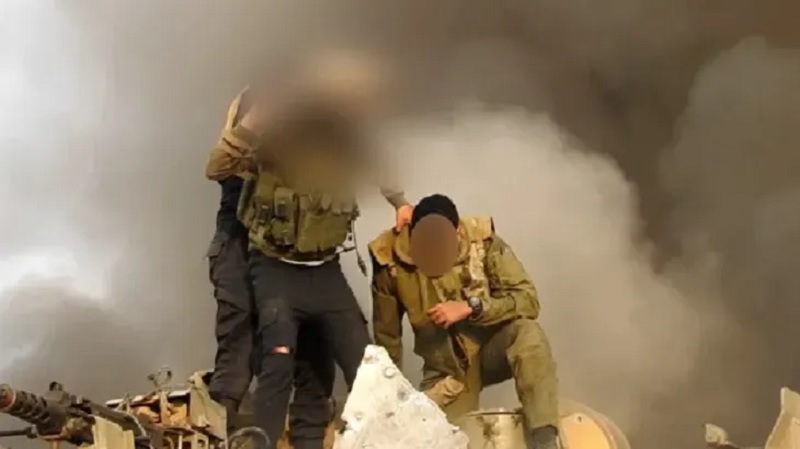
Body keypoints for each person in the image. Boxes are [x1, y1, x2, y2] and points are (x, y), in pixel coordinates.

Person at [204, 49, 413, 449]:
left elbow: (375, 162)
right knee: (276, 367)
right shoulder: (272, 134)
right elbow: (216, 167)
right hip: (276, 270)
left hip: (325, 271)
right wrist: (255, 122)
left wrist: (400, 202)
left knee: (364, 367)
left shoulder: (341, 133)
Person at [368, 194, 560, 449]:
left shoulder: (483, 242)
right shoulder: (391, 262)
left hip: (491, 349)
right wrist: (389, 401)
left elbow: (527, 300)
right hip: (447, 373)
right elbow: (387, 338)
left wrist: (471, 308)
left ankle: (545, 439)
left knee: (527, 334)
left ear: (457, 230)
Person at [205, 89, 338, 449]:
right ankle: (219, 434)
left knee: (311, 352)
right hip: (240, 241)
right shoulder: (257, 101)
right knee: (239, 346)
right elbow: (219, 167)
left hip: (294, 247)